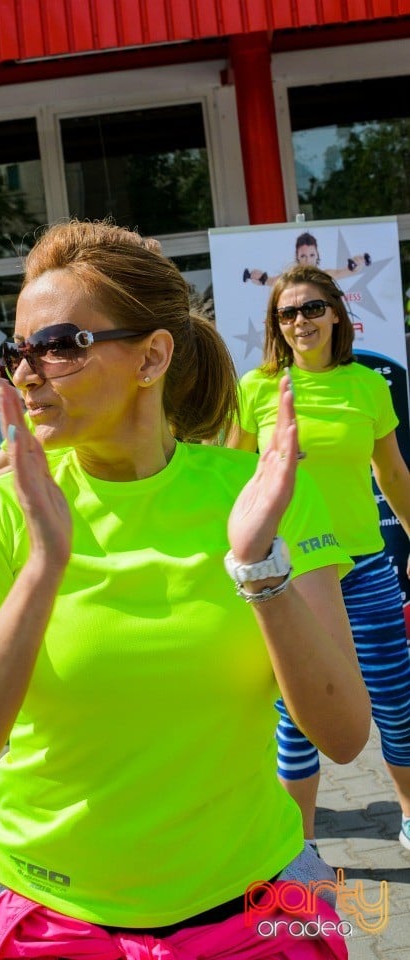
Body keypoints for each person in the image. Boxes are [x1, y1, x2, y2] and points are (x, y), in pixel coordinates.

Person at [0, 220, 370, 960]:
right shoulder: (1, 512)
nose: (28, 373)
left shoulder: (258, 498)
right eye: (17, 352)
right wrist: (43, 567)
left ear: (153, 356)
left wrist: (260, 568)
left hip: (251, 906)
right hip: (47, 915)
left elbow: (346, 736)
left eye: (59, 345)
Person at [228, 262, 410, 852]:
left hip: (365, 569)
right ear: (275, 325)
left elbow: (394, 475)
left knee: (395, 701)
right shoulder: (256, 388)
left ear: (336, 313)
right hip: (293, 574)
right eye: (287, 313)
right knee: (295, 716)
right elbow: (232, 482)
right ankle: (300, 843)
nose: (300, 321)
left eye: (311, 308)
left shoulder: (369, 386)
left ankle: (409, 813)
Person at [243, 231, 371, 288]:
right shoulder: (289, 278)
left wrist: (357, 264)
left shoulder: (323, 276)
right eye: (303, 256)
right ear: (297, 257)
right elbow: (270, 281)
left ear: (317, 255)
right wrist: (259, 277)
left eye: (311, 255)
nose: (308, 260)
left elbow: (347, 271)